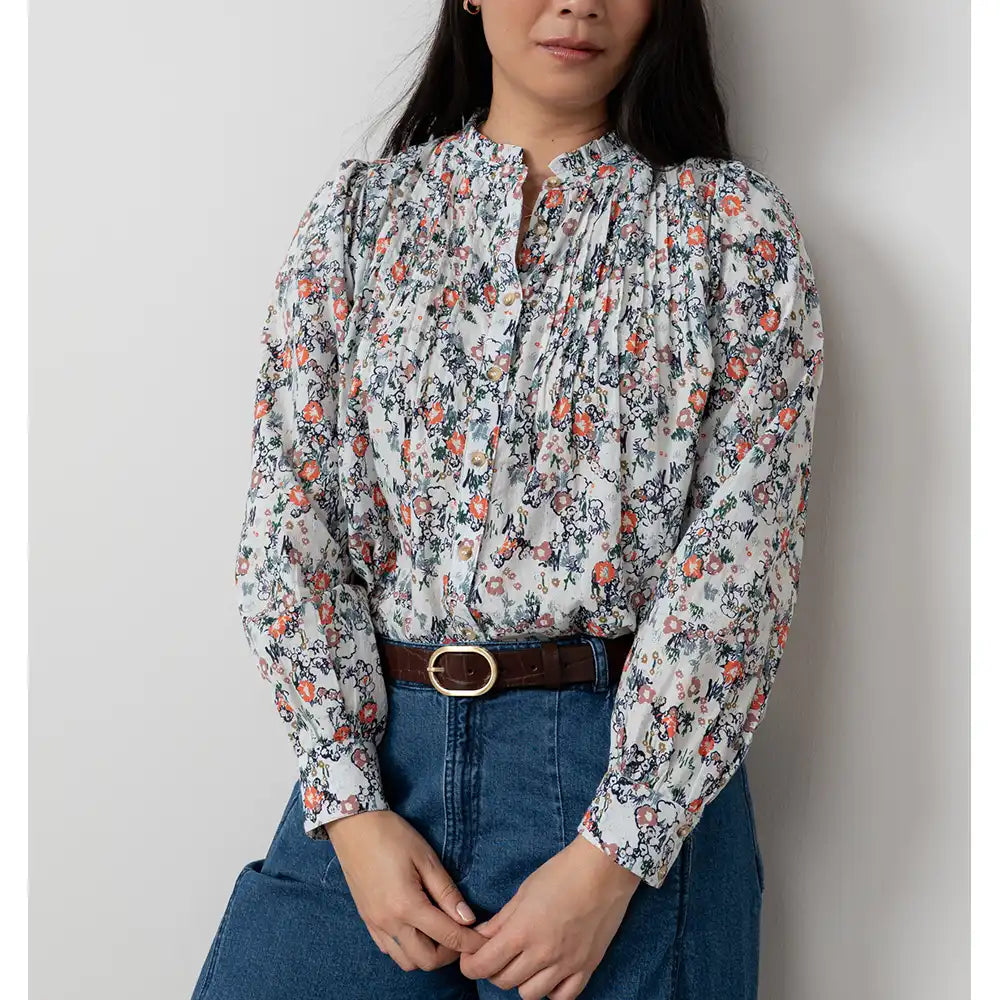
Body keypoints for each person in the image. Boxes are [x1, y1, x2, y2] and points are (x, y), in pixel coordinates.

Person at [191, 1, 825, 997]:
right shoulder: (361, 218)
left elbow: (740, 555)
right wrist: (350, 806)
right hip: (380, 768)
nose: (578, 3)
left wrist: (612, 854)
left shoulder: (730, 229)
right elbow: (289, 514)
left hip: (617, 780)